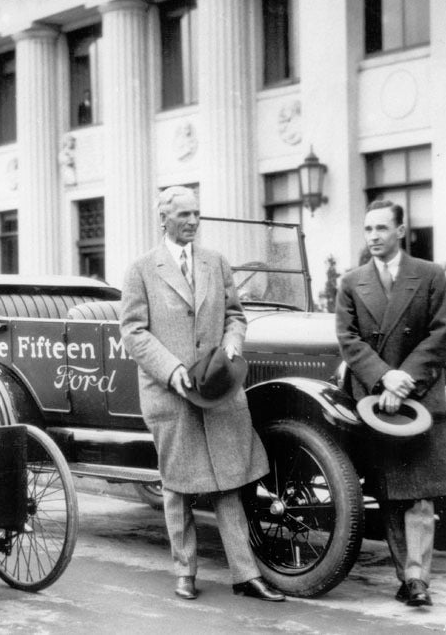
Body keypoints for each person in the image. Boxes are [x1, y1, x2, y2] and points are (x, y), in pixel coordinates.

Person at [120, 186, 283, 603]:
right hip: (169, 392)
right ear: (164, 219)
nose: (193, 222)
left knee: (228, 480)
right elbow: (134, 332)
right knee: (177, 485)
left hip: (215, 388)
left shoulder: (216, 262)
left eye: (197, 214)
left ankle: (246, 575)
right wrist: (172, 370)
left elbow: (235, 316)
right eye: (184, 215)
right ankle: (185, 572)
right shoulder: (141, 270)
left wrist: (233, 344)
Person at [335, 199, 446, 607]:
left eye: (382, 229)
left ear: (401, 231)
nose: (373, 237)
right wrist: (384, 377)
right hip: (375, 397)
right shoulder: (351, 282)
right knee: (390, 490)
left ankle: (416, 576)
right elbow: (349, 340)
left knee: (420, 491)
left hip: (419, 393)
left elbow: (440, 335)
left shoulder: (429, 275)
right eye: (368, 229)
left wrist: (404, 380)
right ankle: (407, 575)